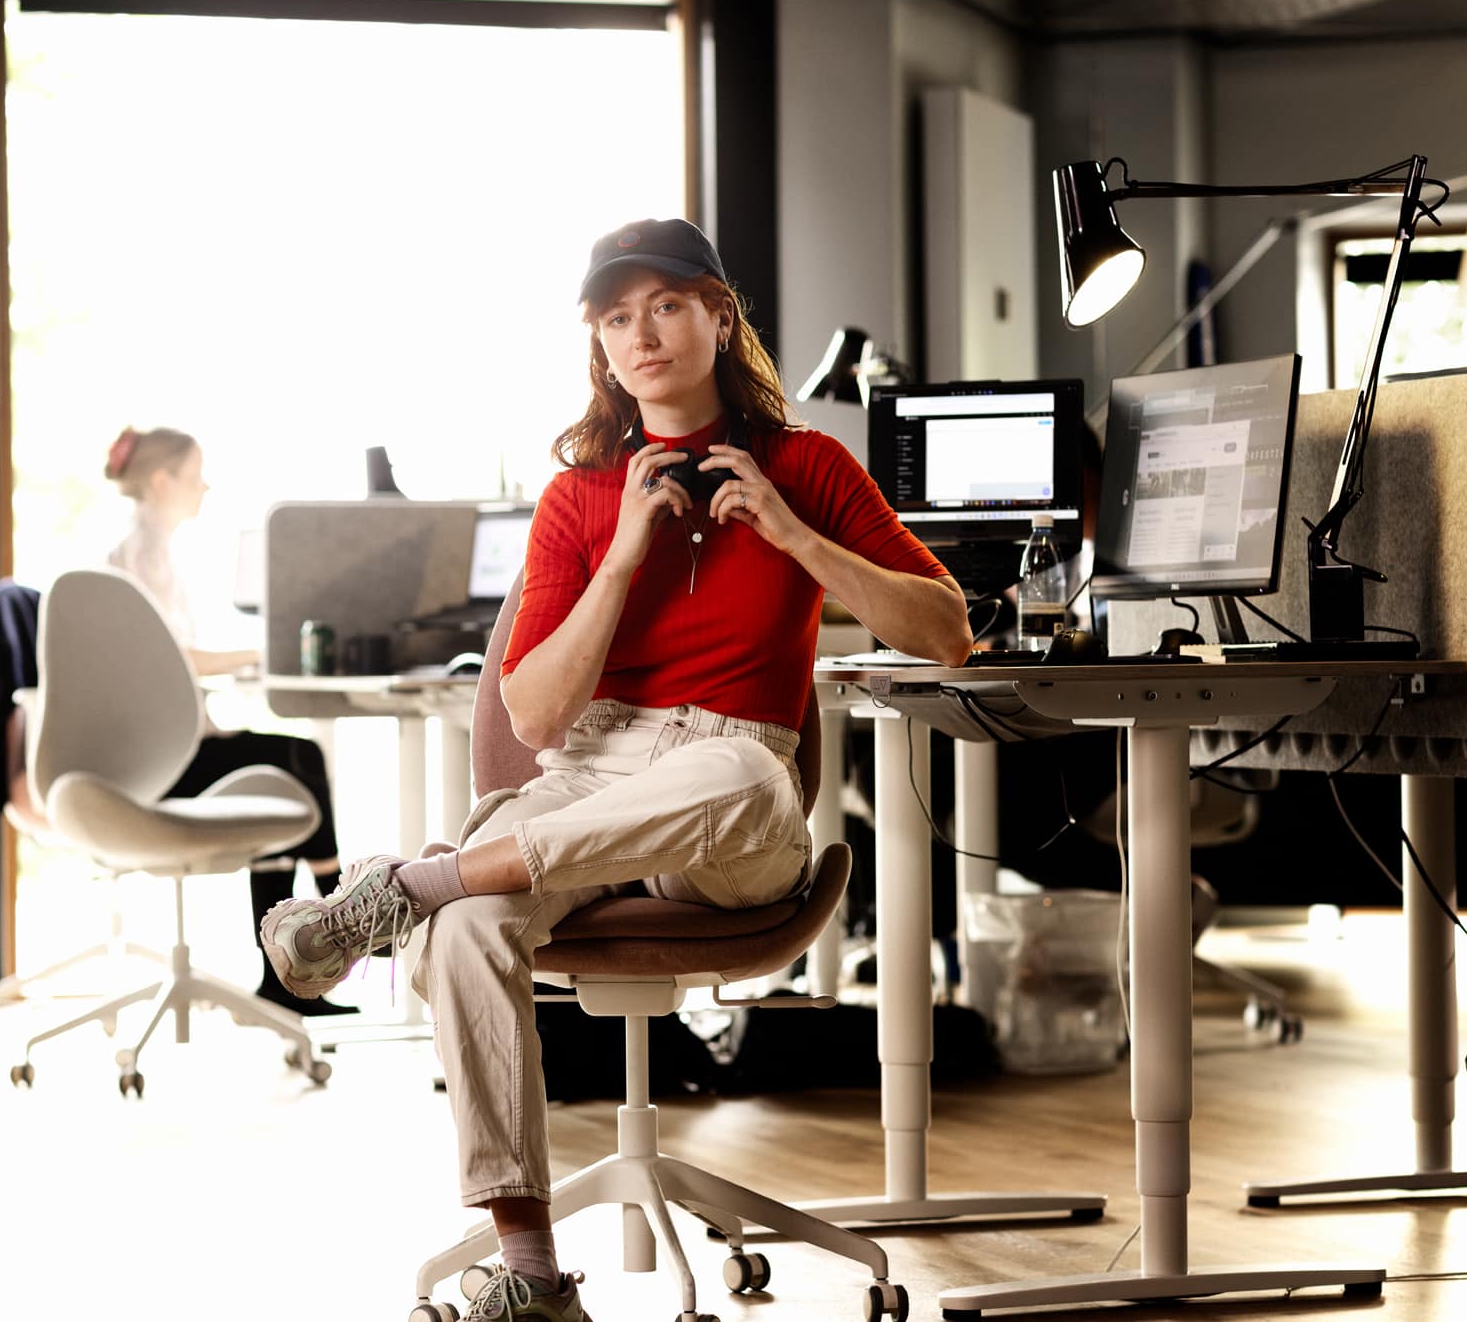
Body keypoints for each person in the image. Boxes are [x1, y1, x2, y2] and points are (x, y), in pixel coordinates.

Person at [258, 218, 971, 1320]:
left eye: (667, 305)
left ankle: (414, 883)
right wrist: (624, 553)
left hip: (727, 795)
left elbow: (946, 635)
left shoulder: (807, 466)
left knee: (746, 781)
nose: (643, 333)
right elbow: (537, 715)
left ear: (718, 318)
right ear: (598, 344)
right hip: (590, 769)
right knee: (469, 929)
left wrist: (794, 536)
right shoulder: (579, 499)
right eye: (616, 316)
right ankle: (534, 1274)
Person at [102, 425, 356, 1017]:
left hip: (164, 748)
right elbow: (172, 657)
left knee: (281, 779)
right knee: (298, 759)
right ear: (161, 481)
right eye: (195, 476)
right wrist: (254, 655)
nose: (206, 487)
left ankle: (283, 975)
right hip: (163, 763)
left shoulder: (145, 551)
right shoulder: (142, 556)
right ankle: (343, 913)